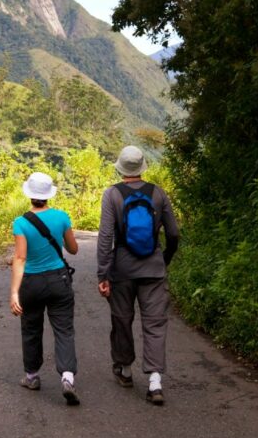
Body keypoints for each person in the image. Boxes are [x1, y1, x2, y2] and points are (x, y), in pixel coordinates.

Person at [97, 145, 180, 405]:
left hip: (122, 269)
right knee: (154, 324)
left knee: (122, 318)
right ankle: (155, 382)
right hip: (153, 267)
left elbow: (106, 237)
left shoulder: (112, 195)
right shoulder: (158, 194)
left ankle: (124, 369)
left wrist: (103, 273)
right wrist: (163, 260)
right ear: (143, 167)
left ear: (121, 168)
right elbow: (174, 234)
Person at [10, 171, 81, 405]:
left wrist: (14, 292)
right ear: (49, 195)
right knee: (64, 329)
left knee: (31, 328)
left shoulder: (20, 223)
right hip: (58, 280)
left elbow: (20, 259)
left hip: (31, 282)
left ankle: (32, 376)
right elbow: (73, 249)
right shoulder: (62, 217)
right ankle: (68, 377)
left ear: (29, 194)